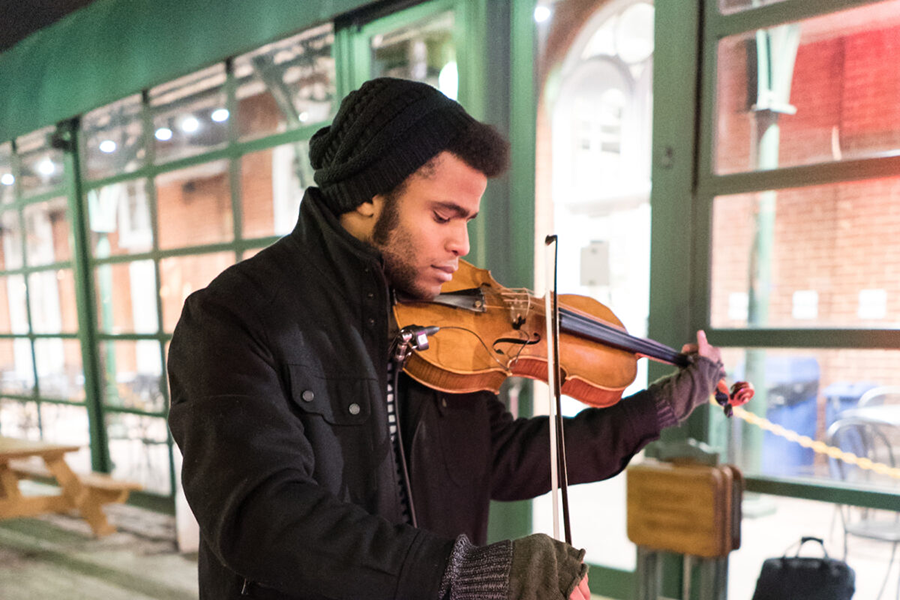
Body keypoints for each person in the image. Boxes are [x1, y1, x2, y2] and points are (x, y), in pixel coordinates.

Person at [167, 77, 725, 600]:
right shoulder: (234, 316)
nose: (461, 243)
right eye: (442, 216)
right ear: (368, 194)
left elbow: (500, 458)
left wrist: (660, 409)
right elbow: (261, 518)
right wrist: (460, 576)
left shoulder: (447, 323)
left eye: (468, 221)